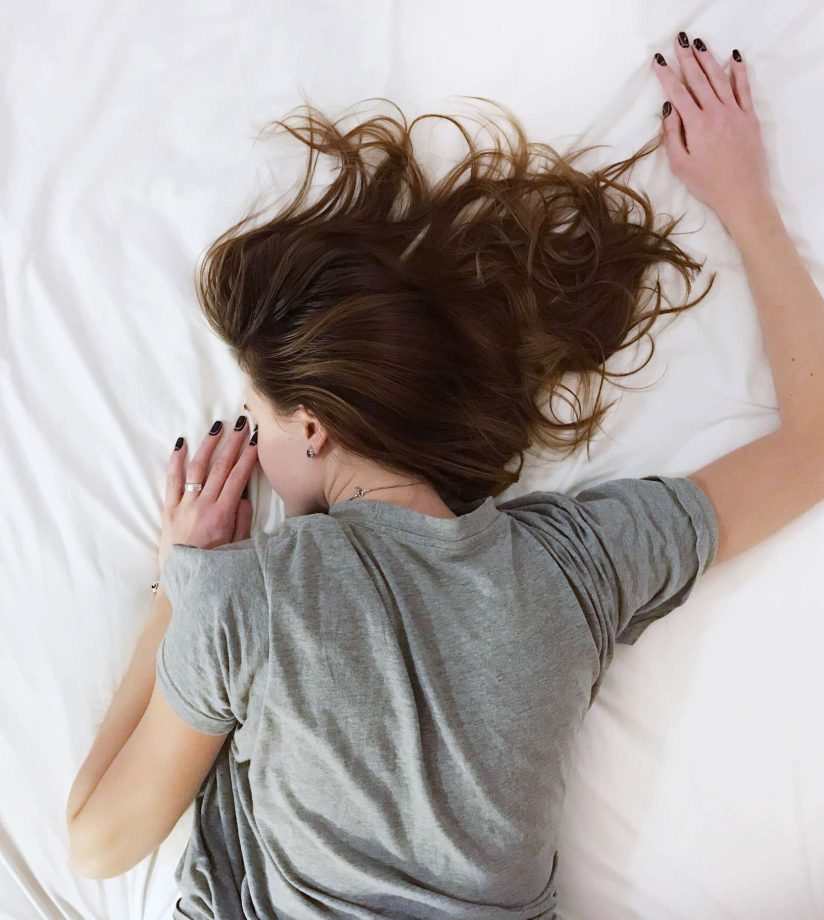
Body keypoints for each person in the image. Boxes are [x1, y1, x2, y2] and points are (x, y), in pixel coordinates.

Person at [67, 32, 824, 920]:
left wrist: (178, 582)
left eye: (258, 413)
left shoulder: (248, 597)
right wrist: (747, 204)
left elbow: (96, 842)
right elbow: (812, 447)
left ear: (310, 427)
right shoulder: (574, 566)